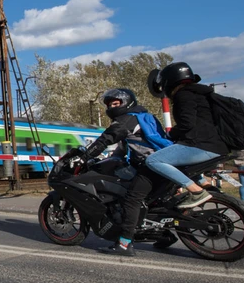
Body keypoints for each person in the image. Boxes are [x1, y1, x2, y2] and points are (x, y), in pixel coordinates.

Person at [81, 88, 172, 257]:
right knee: (150, 199)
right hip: (162, 163)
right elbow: (124, 147)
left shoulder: (127, 120)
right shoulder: (143, 116)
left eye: (116, 103)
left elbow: (105, 139)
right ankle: (164, 235)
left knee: (131, 199)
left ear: (127, 102)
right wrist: (108, 159)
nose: (112, 107)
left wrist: (85, 156)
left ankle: (124, 244)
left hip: (152, 166)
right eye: (109, 105)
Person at [146, 62, 228, 209]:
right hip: (217, 145)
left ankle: (197, 192)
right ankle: (205, 185)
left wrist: (171, 133)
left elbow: (187, 124)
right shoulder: (202, 93)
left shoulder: (183, 95)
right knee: (180, 161)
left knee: (153, 160)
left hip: (202, 145)